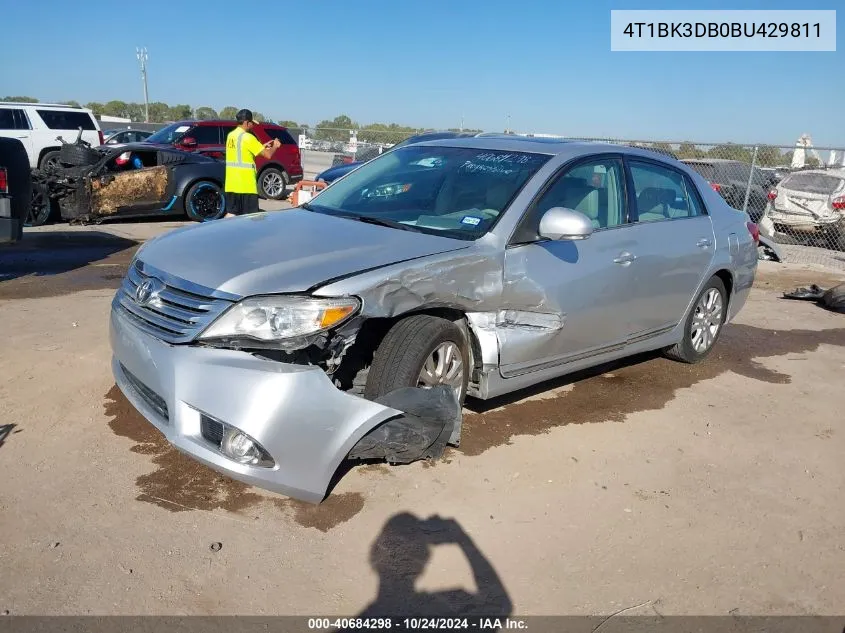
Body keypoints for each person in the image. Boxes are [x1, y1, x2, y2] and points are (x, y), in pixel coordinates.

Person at [223, 109, 281, 218]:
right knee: (250, 218)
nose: (253, 125)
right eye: (251, 123)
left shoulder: (231, 135)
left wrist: (261, 146)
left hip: (231, 184)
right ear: (246, 122)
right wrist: (275, 146)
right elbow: (268, 155)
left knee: (232, 214)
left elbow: (242, 152)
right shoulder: (248, 137)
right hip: (246, 185)